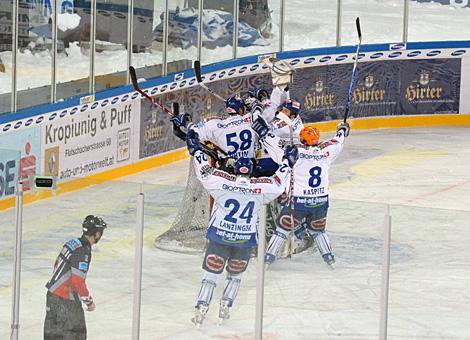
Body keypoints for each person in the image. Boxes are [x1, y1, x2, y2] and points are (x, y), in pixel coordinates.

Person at [187, 128, 297, 327]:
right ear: (252, 171)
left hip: (219, 237)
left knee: (210, 277)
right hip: (244, 241)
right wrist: (287, 163)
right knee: (235, 278)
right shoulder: (261, 187)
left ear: (235, 169)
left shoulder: (221, 182)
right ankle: (225, 307)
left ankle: (202, 308)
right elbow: (279, 183)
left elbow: (205, 173)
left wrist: (196, 152)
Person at [264, 121, 350, 269]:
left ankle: (267, 261)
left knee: (282, 230)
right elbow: (338, 140)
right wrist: (342, 129)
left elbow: (272, 143)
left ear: (302, 140)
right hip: (321, 201)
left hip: (298, 202)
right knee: (319, 231)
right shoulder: (326, 151)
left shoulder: (293, 152)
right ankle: (330, 262)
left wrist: (264, 133)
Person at [44, 215, 107, 339]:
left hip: (52, 297)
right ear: (96, 233)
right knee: (76, 335)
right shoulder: (83, 250)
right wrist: (89, 301)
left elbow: (57, 264)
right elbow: (78, 282)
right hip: (66, 301)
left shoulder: (72, 243)